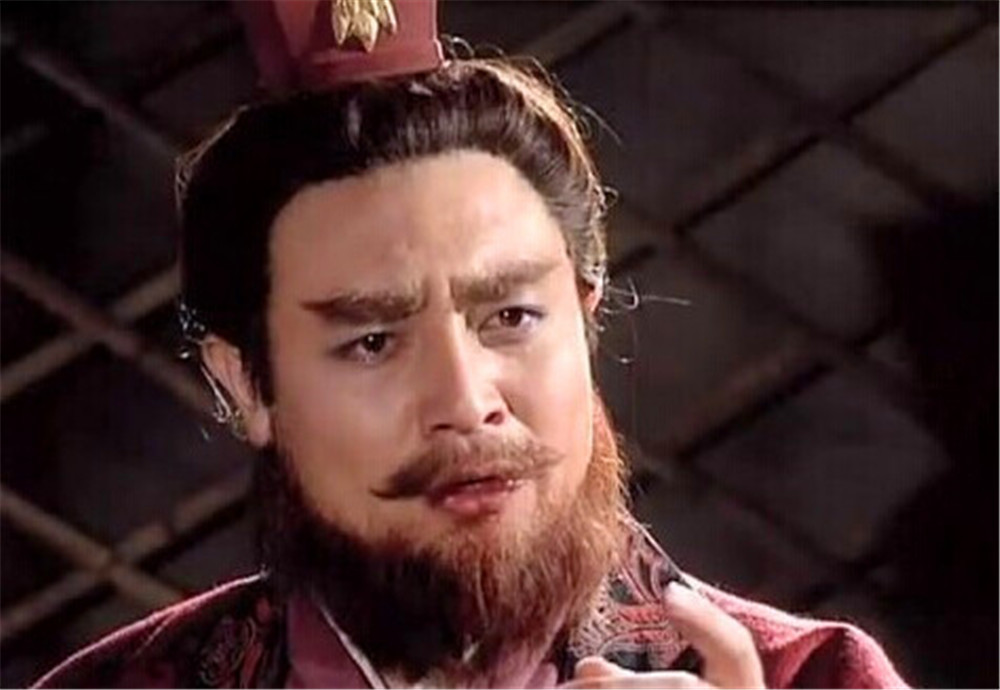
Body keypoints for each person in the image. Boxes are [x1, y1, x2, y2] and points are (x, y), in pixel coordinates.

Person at [36, 1, 907, 687]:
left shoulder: (814, 678)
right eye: (373, 341)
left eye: (512, 319)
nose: (465, 401)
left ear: (587, 315)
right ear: (246, 384)